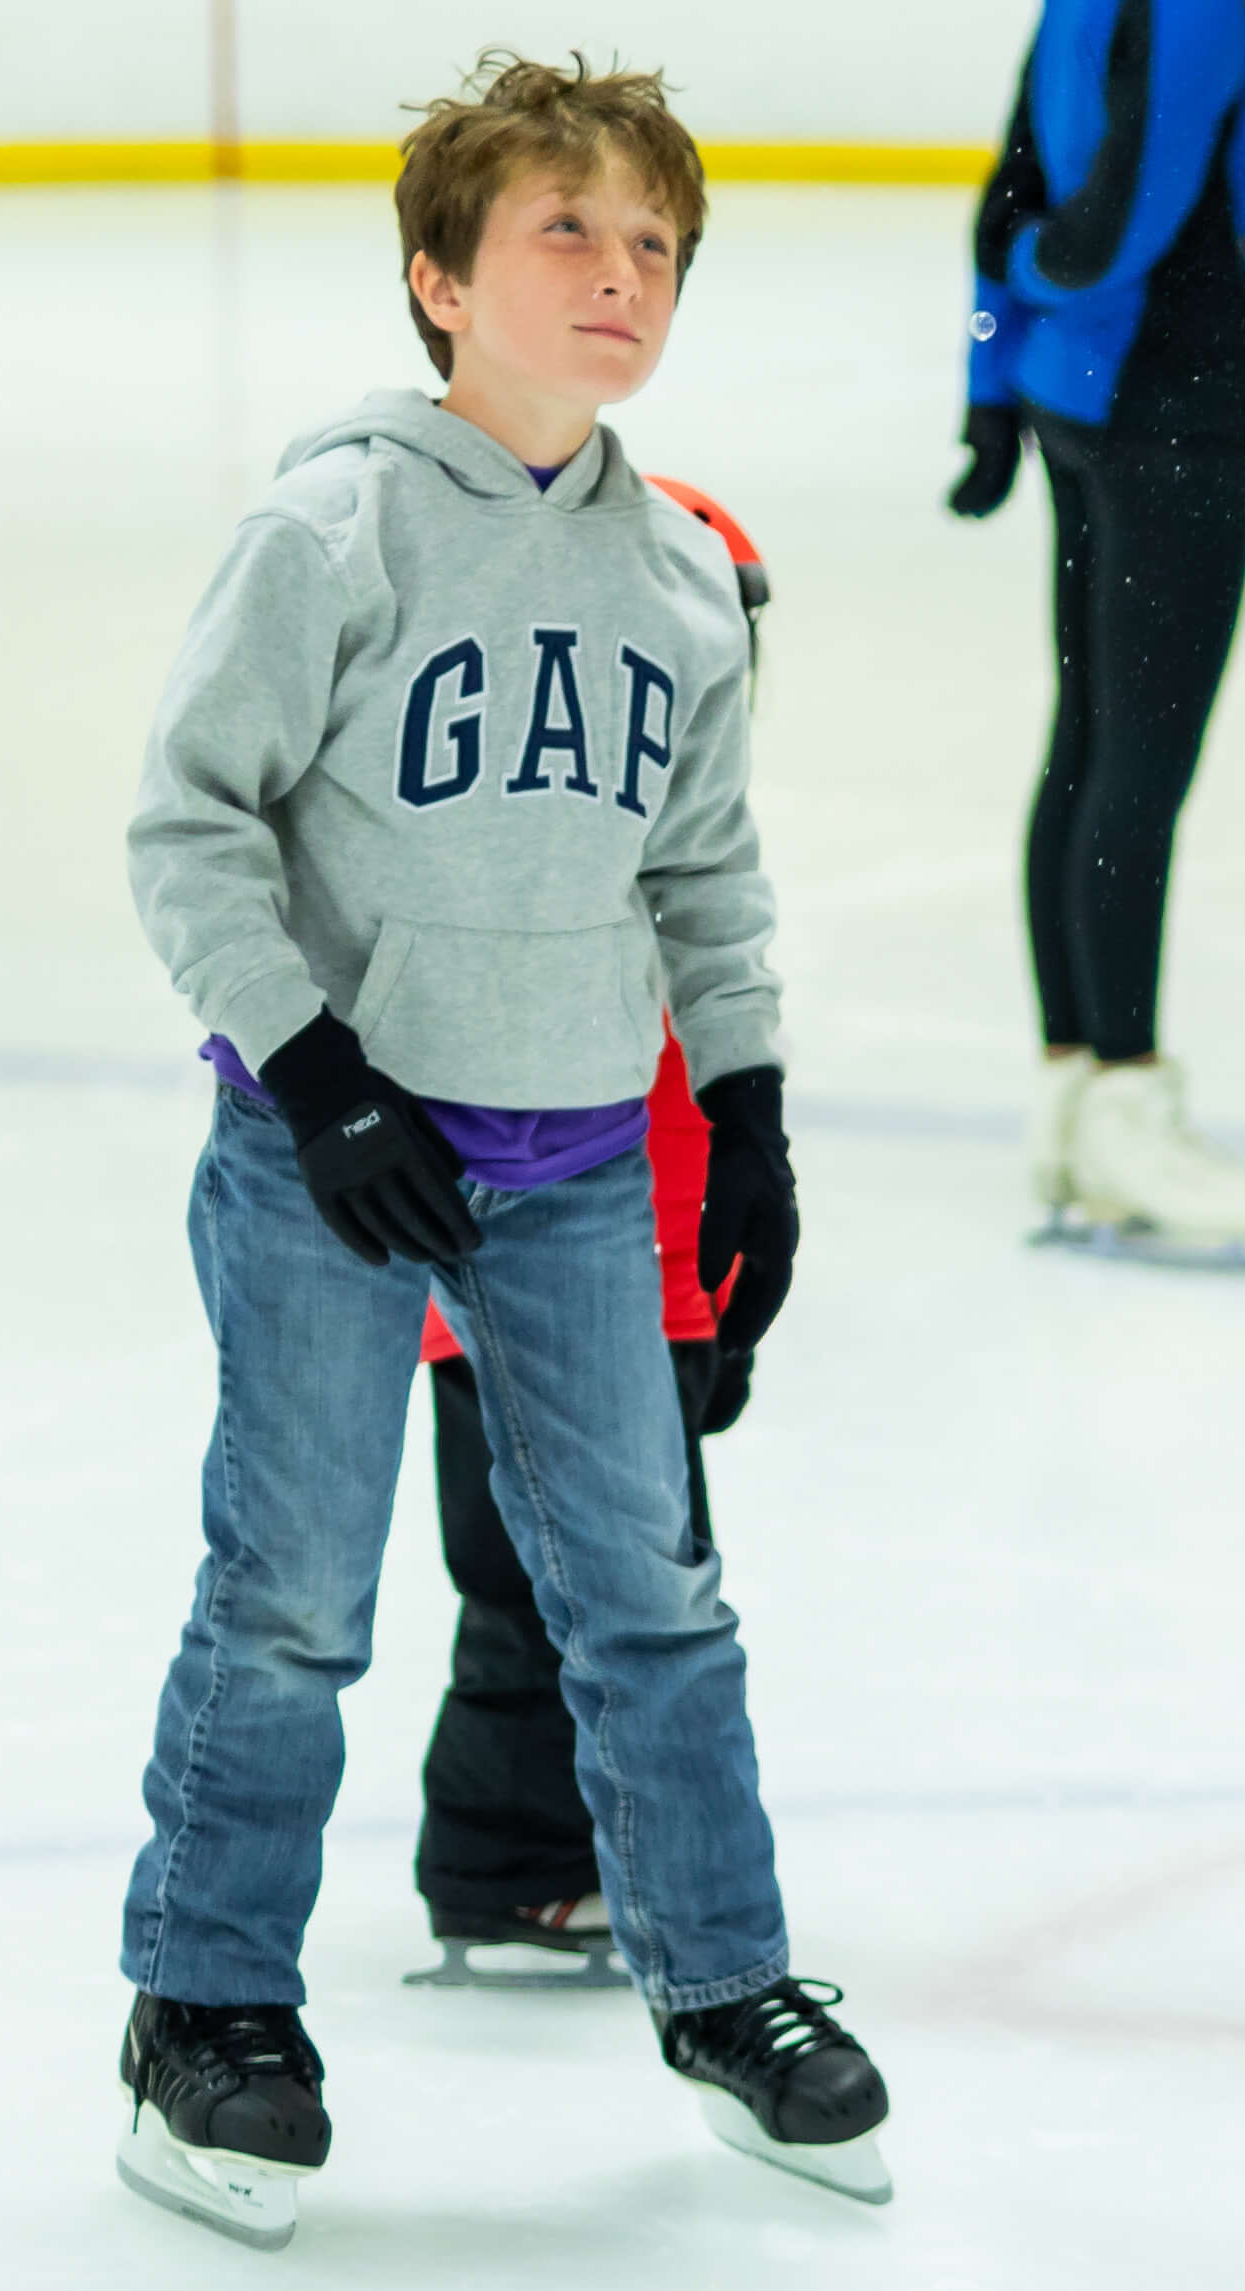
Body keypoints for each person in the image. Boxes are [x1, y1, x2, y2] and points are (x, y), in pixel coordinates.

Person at [115, 55, 886, 2247]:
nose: (621, 273)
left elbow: (708, 876)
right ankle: (206, 2003)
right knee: (288, 1601)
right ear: (440, 281)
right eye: (569, 230)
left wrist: (738, 1105)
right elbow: (190, 824)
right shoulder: (329, 530)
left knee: (653, 1599)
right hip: (326, 1162)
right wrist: (318, 1071)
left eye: (655, 244)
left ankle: (727, 1980)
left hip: (573, 1167)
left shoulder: (673, 577)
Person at [411, 475, 770, 1992]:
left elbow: (699, 1124)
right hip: (524, 1298)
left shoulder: (684, 861)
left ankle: (560, 1857)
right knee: (533, 1595)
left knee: (621, 1584)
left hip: (642, 1300)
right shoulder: (539, 874)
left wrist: (716, 1307)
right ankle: (506, 1866)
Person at [959, 0, 1245, 1264]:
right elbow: (1090, 234)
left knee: (1092, 748)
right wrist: (1038, 298)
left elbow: (999, 211)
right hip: (1171, 412)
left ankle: (1072, 1088)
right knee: (1137, 773)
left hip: (1085, 407)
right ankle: (1124, 1092)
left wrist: (992, 381)